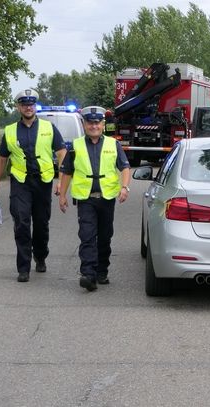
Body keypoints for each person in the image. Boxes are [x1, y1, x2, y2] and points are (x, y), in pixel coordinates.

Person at [0, 89, 66, 282]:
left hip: (43, 181)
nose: (28, 107)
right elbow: (1, 160)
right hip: (20, 182)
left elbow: (62, 153)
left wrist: (61, 181)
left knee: (41, 223)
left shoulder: (49, 128)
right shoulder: (10, 131)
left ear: (35, 106)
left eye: (31, 104)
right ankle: (23, 267)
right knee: (21, 221)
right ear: (18, 107)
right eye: (24, 104)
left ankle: (40, 255)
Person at [58, 106, 131, 292]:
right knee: (87, 236)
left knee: (105, 237)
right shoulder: (75, 146)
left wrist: (124, 187)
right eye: (90, 123)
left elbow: (124, 168)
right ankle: (88, 274)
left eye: (97, 122)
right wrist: (63, 195)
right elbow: (66, 171)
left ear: (103, 124)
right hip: (85, 199)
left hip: (106, 199)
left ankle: (101, 271)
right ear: (84, 124)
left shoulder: (113, 144)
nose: (94, 126)